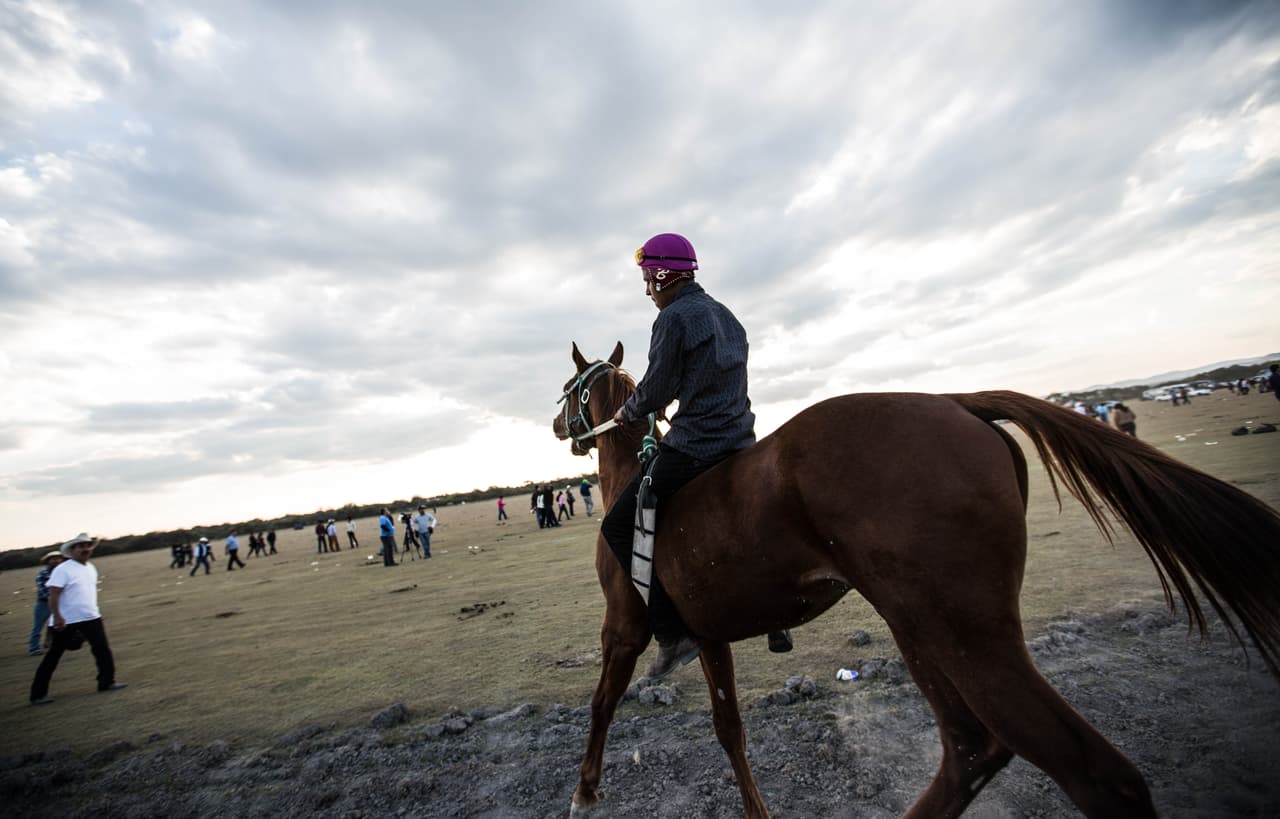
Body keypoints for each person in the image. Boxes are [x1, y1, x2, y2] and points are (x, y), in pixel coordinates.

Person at [600, 232, 789, 680]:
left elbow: (656, 386)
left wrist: (629, 409)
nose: (647, 289)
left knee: (620, 524)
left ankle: (670, 633)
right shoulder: (726, 314)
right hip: (741, 438)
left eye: (648, 279)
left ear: (664, 275)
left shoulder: (672, 318)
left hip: (696, 445)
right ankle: (776, 615)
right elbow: (708, 377)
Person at [30, 533, 127, 705]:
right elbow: (54, 594)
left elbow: (86, 593)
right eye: (81, 546)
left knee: (102, 650)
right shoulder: (63, 569)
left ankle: (107, 682)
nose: (85, 549)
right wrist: (58, 616)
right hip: (66, 620)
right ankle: (38, 694)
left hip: (90, 617)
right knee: (53, 656)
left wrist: (95, 612)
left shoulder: (90, 567)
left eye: (88, 546)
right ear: (72, 550)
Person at [29, 551, 64, 656]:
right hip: (44, 604)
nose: (56, 561)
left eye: (58, 558)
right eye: (53, 559)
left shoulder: (62, 572)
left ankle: (50, 644)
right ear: (48, 561)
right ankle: (34, 649)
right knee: (38, 627)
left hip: (58, 602)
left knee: (56, 625)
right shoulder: (43, 574)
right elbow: (44, 591)